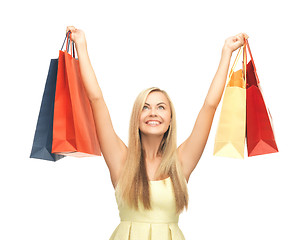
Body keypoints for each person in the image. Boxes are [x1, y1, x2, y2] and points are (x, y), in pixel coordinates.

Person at [66, 26, 248, 239]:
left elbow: (209, 106)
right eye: (145, 106)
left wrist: (226, 52)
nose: (153, 113)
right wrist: (82, 47)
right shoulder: (120, 159)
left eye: (161, 107)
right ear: (136, 117)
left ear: (170, 120)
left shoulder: (181, 161)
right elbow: (96, 100)